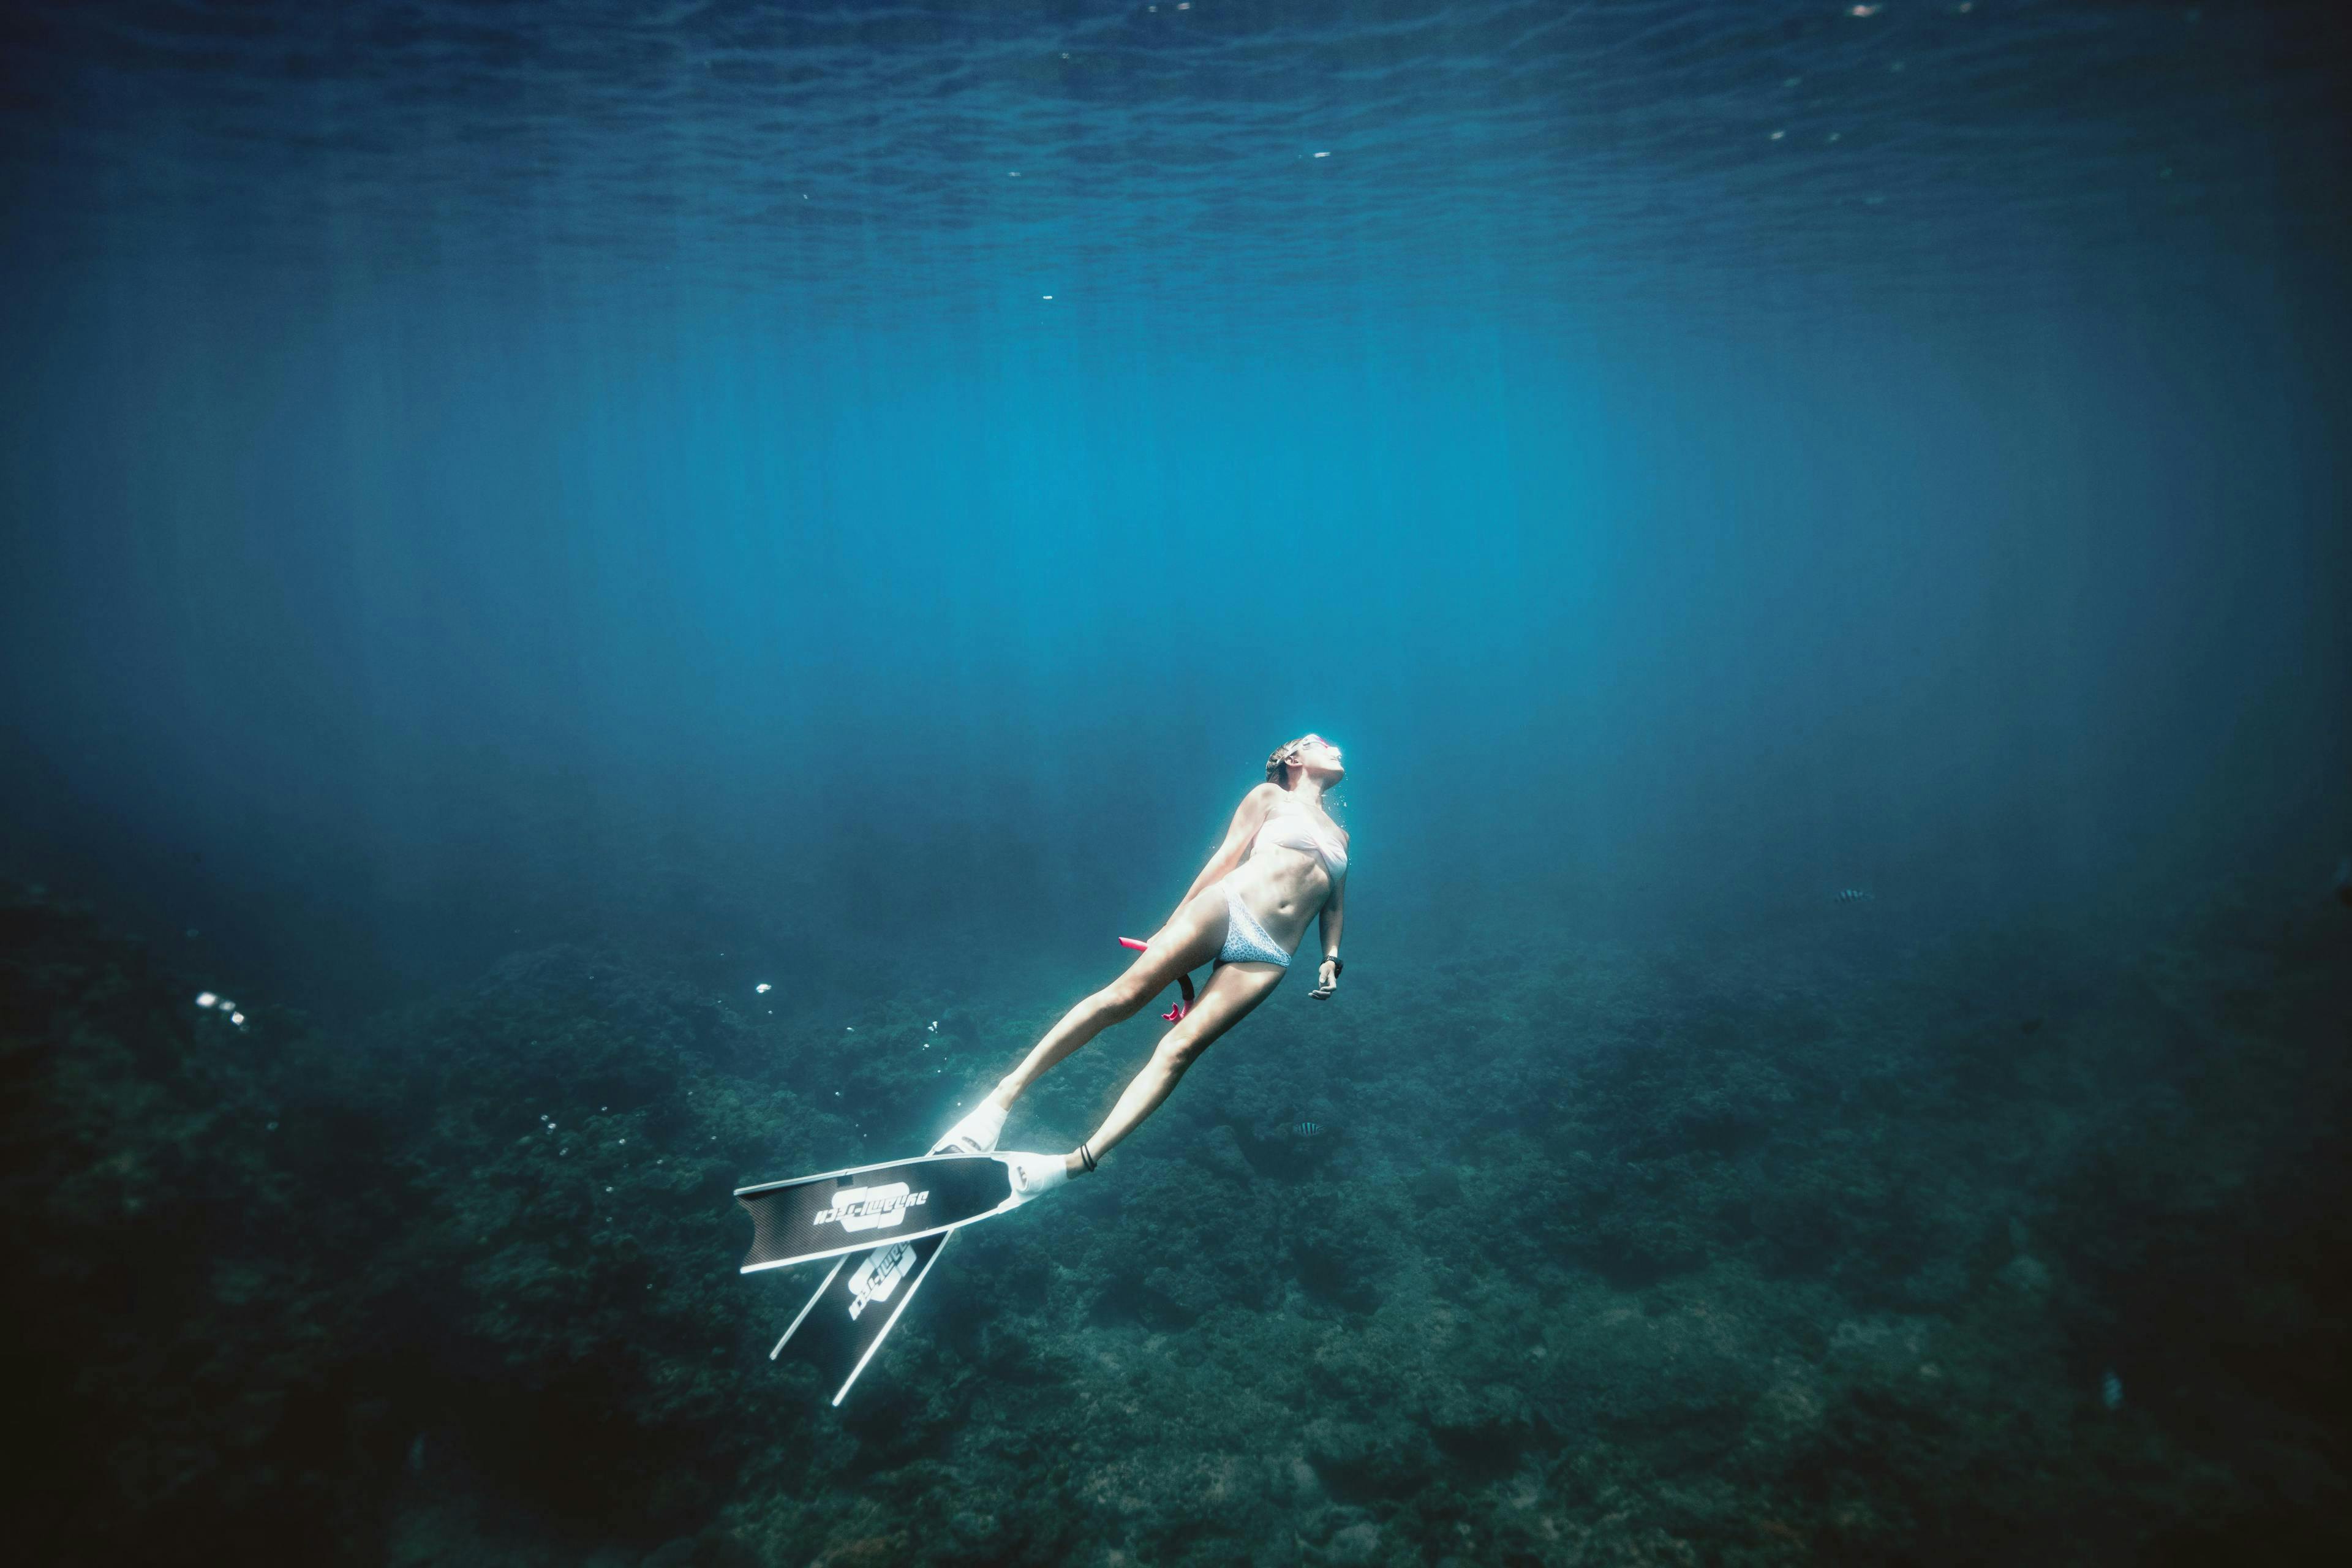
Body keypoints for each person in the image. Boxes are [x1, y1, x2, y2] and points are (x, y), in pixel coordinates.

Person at [937, 734, 1349, 1192]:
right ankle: (998, 1103)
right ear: (1294, 759)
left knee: (1179, 1051)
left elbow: (1333, 906)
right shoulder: (1269, 796)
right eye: (1320, 743)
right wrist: (1171, 931)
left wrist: (1330, 956)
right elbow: (1226, 857)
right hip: (1229, 906)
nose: (1334, 748)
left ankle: (1072, 1165)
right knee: (1123, 998)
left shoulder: (1342, 836)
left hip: (1271, 955)